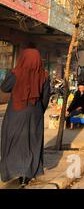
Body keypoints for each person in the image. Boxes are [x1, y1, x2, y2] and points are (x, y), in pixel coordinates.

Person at [0, 48, 51, 187]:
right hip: (35, 113)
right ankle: (26, 175)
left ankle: (11, 171)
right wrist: (39, 111)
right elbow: (46, 97)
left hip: (16, 112)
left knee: (13, 141)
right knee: (31, 143)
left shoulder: (15, 73)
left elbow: (4, 88)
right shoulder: (45, 75)